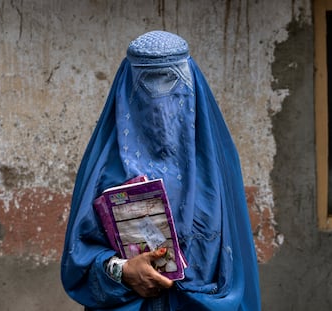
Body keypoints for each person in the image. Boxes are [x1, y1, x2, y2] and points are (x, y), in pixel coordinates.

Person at [61, 30, 261, 311]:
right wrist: (123, 270)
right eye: (146, 83)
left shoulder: (217, 167)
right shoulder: (104, 164)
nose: (159, 101)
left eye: (170, 80)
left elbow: (236, 263)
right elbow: (78, 258)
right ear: (126, 88)